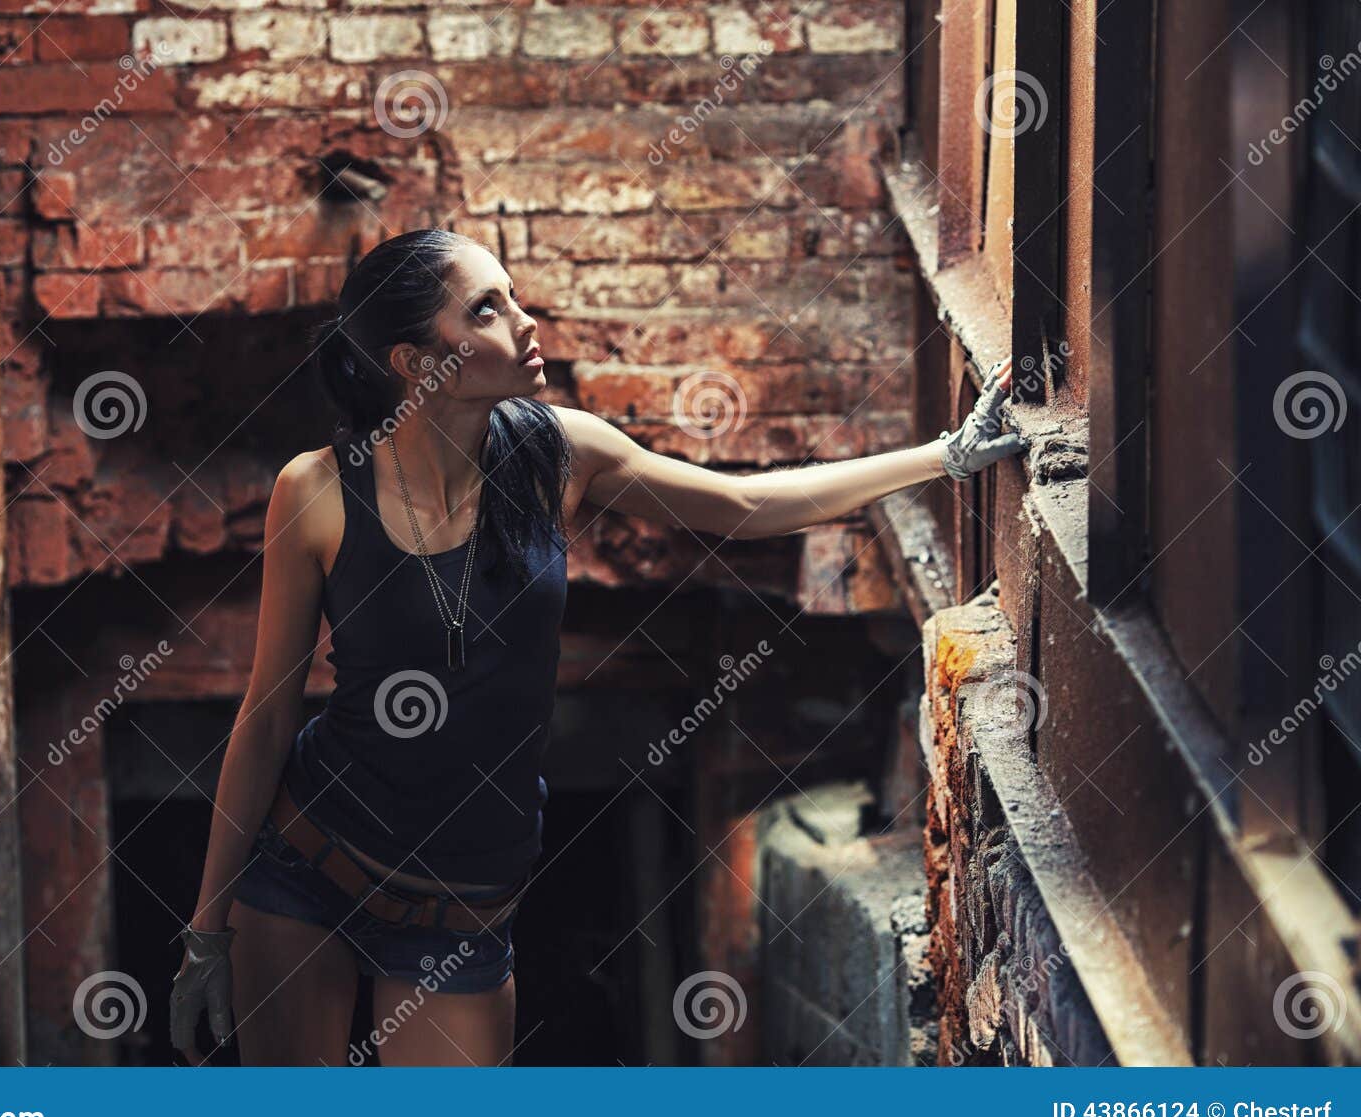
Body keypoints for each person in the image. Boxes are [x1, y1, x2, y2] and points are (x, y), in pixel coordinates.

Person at [169, 228, 1025, 1067]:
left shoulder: (559, 455)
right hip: (310, 865)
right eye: (488, 309)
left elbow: (746, 504)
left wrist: (946, 457)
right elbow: (267, 713)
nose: (525, 320)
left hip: (464, 905)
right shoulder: (316, 491)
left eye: (514, 296)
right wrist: (206, 927)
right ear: (412, 360)